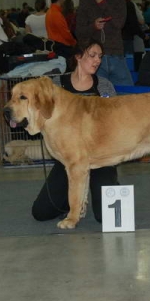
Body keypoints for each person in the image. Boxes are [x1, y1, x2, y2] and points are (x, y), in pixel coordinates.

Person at [32, 39, 119, 224]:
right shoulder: (56, 84)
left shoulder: (104, 86)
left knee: (106, 216)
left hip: (102, 157)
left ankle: (97, 189)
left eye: (100, 57)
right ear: (78, 56)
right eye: (92, 55)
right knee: (41, 212)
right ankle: (75, 201)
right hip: (69, 158)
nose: (97, 61)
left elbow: (115, 122)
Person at [76, 0, 132, 86]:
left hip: (117, 56)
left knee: (127, 98)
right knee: (99, 101)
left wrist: (101, 1)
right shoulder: (85, 2)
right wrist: (93, 27)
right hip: (94, 61)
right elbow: (78, 32)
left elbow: (119, 23)